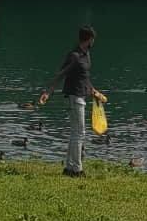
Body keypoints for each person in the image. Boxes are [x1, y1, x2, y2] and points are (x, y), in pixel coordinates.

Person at [38, 25, 105, 178]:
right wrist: (47, 92)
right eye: (93, 39)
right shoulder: (74, 56)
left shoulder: (86, 55)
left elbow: (84, 77)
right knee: (79, 133)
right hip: (74, 97)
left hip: (82, 95)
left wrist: (94, 92)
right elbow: (61, 74)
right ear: (89, 39)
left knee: (76, 133)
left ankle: (69, 167)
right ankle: (77, 170)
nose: (93, 42)